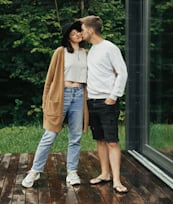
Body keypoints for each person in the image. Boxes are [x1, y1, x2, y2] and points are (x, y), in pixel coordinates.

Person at [22, 21, 88, 188]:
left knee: (75, 137)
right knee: (49, 135)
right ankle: (35, 171)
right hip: (61, 95)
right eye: (73, 33)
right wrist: (45, 102)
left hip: (79, 95)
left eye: (79, 32)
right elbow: (50, 79)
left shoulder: (87, 53)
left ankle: (72, 172)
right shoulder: (60, 52)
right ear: (68, 37)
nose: (77, 35)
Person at [80, 15, 128, 194]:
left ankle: (116, 180)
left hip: (107, 102)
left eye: (83, 29)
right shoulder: (91, 50)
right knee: (99, 140)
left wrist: (113, 96)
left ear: (91, 30)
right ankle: (105, 174)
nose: (81, 33)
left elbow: (122, 73)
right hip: (92, 102)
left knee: (112, 141)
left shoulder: (110, 48)